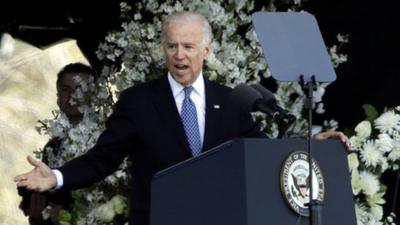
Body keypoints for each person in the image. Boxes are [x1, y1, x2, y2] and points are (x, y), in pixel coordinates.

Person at [15, 11, 349, 225]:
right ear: (163, 49)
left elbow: (261, 153)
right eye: (172, 46)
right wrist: (56, 177)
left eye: (188, 46)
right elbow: (102, 160)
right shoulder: (138, 102)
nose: (179, 55)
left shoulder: (230, 99)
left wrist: (310, 145)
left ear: (207, 50)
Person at [18, 63, 97, 225]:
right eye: (65, 89)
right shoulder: (53, 146)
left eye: (80, 89)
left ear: (94, 94)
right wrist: (38, 215)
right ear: (58, 96)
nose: (72, 96)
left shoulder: (108, 138)